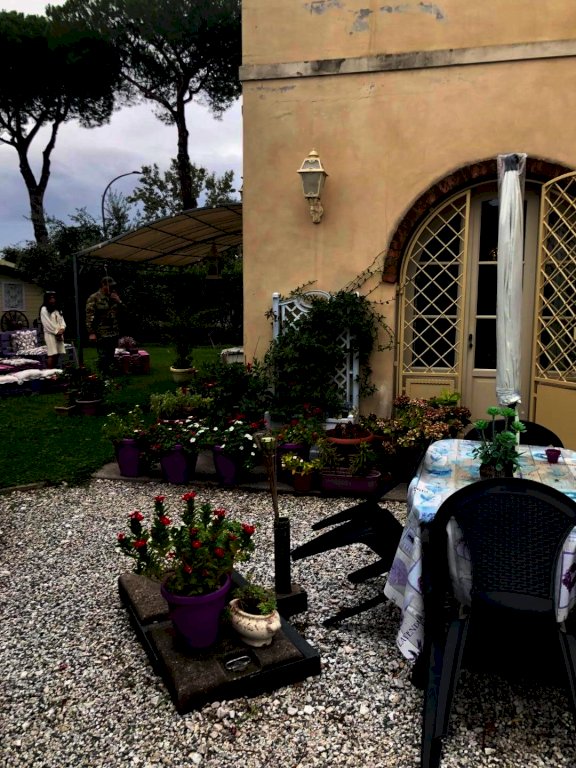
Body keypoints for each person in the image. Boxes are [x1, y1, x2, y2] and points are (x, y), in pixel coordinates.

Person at [85, 276, 124, 375]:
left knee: (111, 354)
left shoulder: (113, 297)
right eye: (109, 286)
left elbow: (123, 312)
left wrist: (119, 301)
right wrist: (91, 332)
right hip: (101, 331)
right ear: (103, 285)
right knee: (103, 356)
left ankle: (109, 373)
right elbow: (89, 316)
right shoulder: (94, 297)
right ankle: (103, 375)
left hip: (113, 331)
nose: (111, 288)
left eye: (112, 286)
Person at [40, 291, 66, 369]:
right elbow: (47, 323)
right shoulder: (44, 309)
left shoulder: (57, 309)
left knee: (58, 353)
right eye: (50, 298)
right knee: (52, 353)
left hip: (59, 333)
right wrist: (56, 332)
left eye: (54, 298)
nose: (52, 299)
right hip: (50, 334)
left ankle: (55, 371)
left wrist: (62, 328)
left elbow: (62, 320)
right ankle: (50, 372)